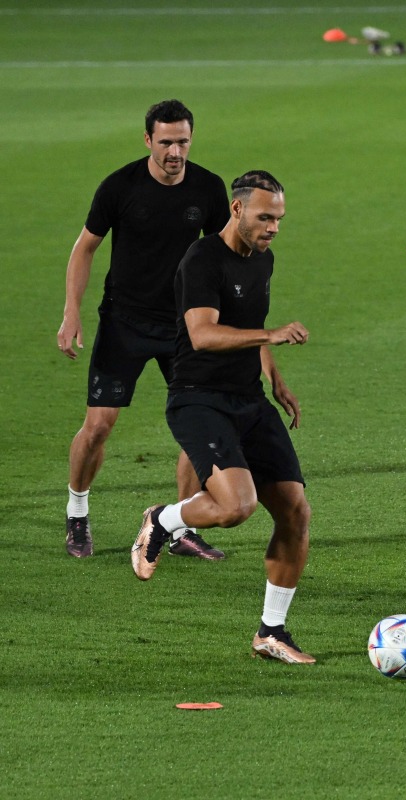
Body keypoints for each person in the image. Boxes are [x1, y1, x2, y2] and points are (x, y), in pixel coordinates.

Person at [130, 171, 316, 665]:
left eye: (278, 218)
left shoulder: (262, 259)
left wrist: (275, 377)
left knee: (296, 514)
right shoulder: (202, 259)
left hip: (248, 399)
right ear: (237, 210)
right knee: (236, 507)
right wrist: (272, 336)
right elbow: (203, 334)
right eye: (264, 217)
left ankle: (270, 632)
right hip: (199, 398)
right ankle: (164, 519)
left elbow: (250, 328)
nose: (274, 227)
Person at [57, 99, 230, 558]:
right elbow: (84, 248)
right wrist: (71, 312)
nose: (176, 152)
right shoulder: (120, 186)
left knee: (198, 421)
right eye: (167, 142)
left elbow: (224, 255)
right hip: (124, 321)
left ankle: (178, 525)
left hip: (184, 325)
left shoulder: (208, 188)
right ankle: (77, 513)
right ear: (148, 139)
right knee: (98, 426)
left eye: (183, 142)